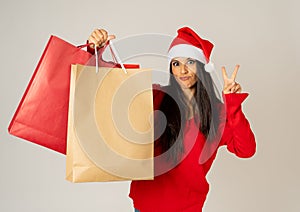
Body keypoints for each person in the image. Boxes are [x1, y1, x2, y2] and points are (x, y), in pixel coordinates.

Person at [88, 26, 256, 212]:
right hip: (146, 204)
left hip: (187, 206)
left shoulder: (218, 112)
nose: (183, 70)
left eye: (190, 62)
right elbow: (113, 88)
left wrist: (232, 103)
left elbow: (246, 150)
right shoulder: (155, 96)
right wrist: (96, 52)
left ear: (201, 66)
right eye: (176, 64)